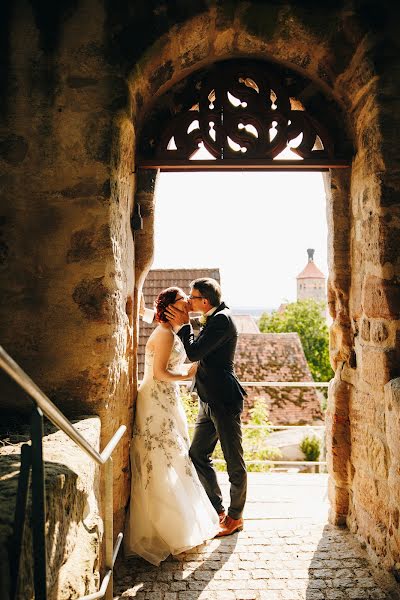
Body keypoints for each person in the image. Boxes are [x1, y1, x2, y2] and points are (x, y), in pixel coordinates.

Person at [125, 287, 219, 566]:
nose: (188, 304)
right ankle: (165, 530)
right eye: (183, 302)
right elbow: (160, 373)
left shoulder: (172, 330)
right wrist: (189, 374)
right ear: (172, 308)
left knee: (174, 459)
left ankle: (178, 525)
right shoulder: (164, 334)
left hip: (166, 400)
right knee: (164, 459)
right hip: (156, 401)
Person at [165, 278, 247, 537]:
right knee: (198, 454)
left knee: (234, 461)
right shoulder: (214, 316)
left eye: (193, 296)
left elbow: (194, 353)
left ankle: (235, 517)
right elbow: (201, 344)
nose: (189, 300)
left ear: (205, 301)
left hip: (223, 400)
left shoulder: (222, 319)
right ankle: (218, 509)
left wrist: (181, 326)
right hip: (207, 399)